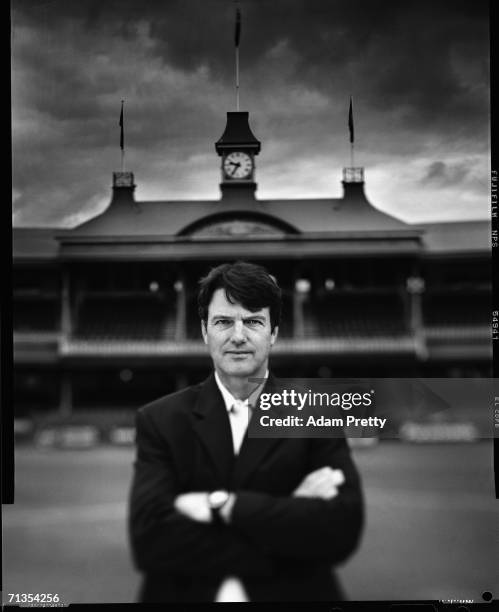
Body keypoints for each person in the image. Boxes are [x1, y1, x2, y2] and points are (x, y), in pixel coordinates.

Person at [128, 261, 364, 602]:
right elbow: (152, 543)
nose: (238, 336)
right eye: (223, 322)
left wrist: (222, 505)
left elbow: (340, 531)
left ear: (274, 334)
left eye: (253, 321)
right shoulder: (160, 420)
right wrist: (290, 516)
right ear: (205, 331)